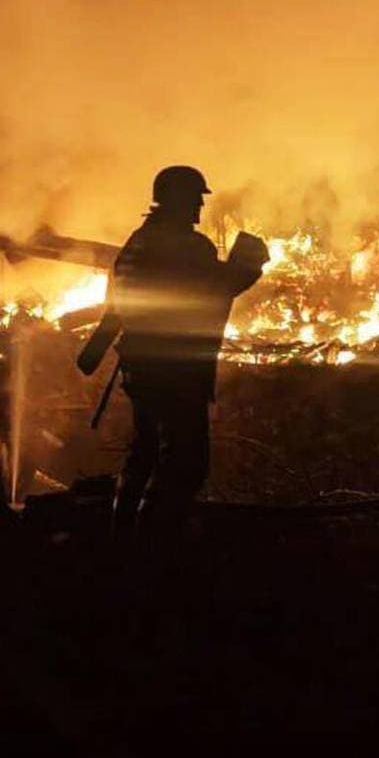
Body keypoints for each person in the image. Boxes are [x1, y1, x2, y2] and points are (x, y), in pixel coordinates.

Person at [100, 165, 267, 540]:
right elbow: (213, 292)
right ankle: (156, 545)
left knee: (143, 454)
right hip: (175, 368)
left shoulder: (138, 240)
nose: (198, 208)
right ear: (176, 199)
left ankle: (122, 539)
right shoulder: (188, 246)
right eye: (194, 199)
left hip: (140, 365)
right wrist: (249, 265)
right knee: (184, 462)